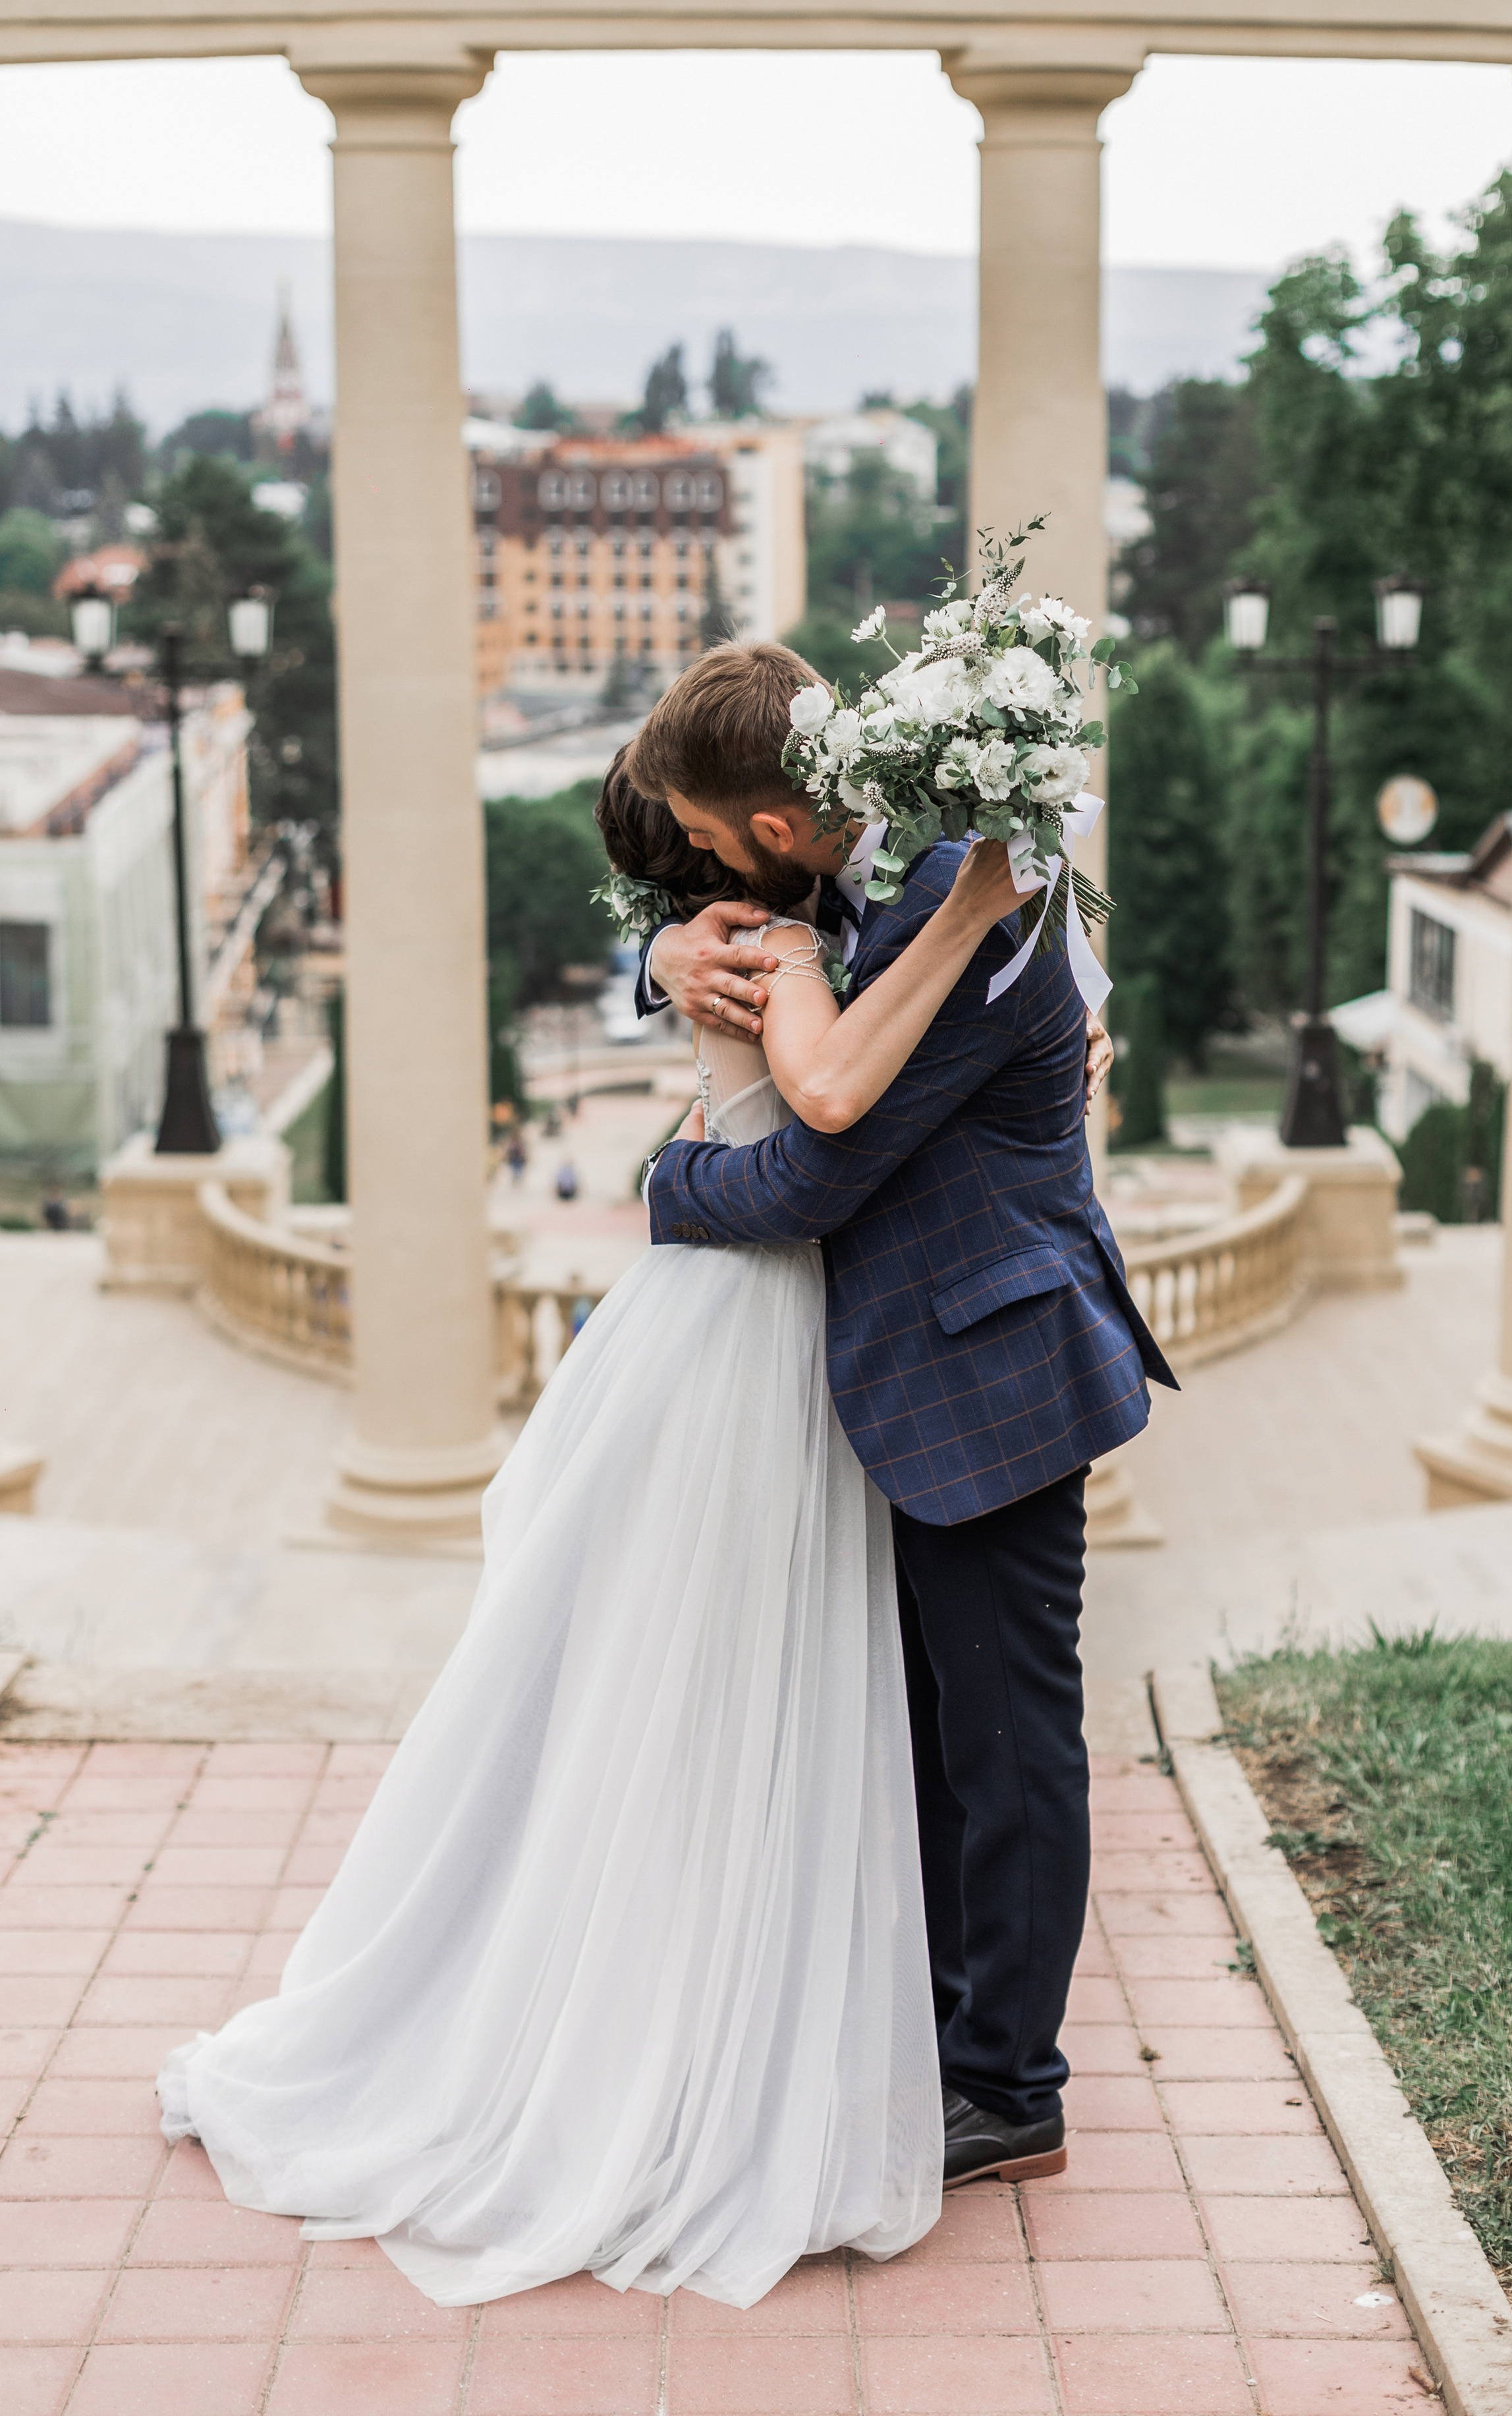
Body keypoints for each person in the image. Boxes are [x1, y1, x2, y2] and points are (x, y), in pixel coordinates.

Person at [155, 742, 1050, 2313]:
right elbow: (820, 1115)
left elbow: (831, 1091)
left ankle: (819, 2015)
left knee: (766, 1689)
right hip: (764, 1343)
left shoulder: (796, 923)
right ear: (753, 836)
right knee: (756, 1684)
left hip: (784, 1340)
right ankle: (744, 2018)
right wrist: (944, 926)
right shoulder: (788, 936)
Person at [631, 641, 1175, 2189]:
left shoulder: (965, 898)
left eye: (716, 843)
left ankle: (1007, 2086)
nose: (703, 866)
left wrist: (670, 1185)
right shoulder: (857, 863)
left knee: (1004, 1745)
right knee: (936, 1739)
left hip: (990, 1379)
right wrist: (663, 958)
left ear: (780, 827)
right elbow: (669, 894)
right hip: (902, 1376)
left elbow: (816, 1170)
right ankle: (946, 2034)